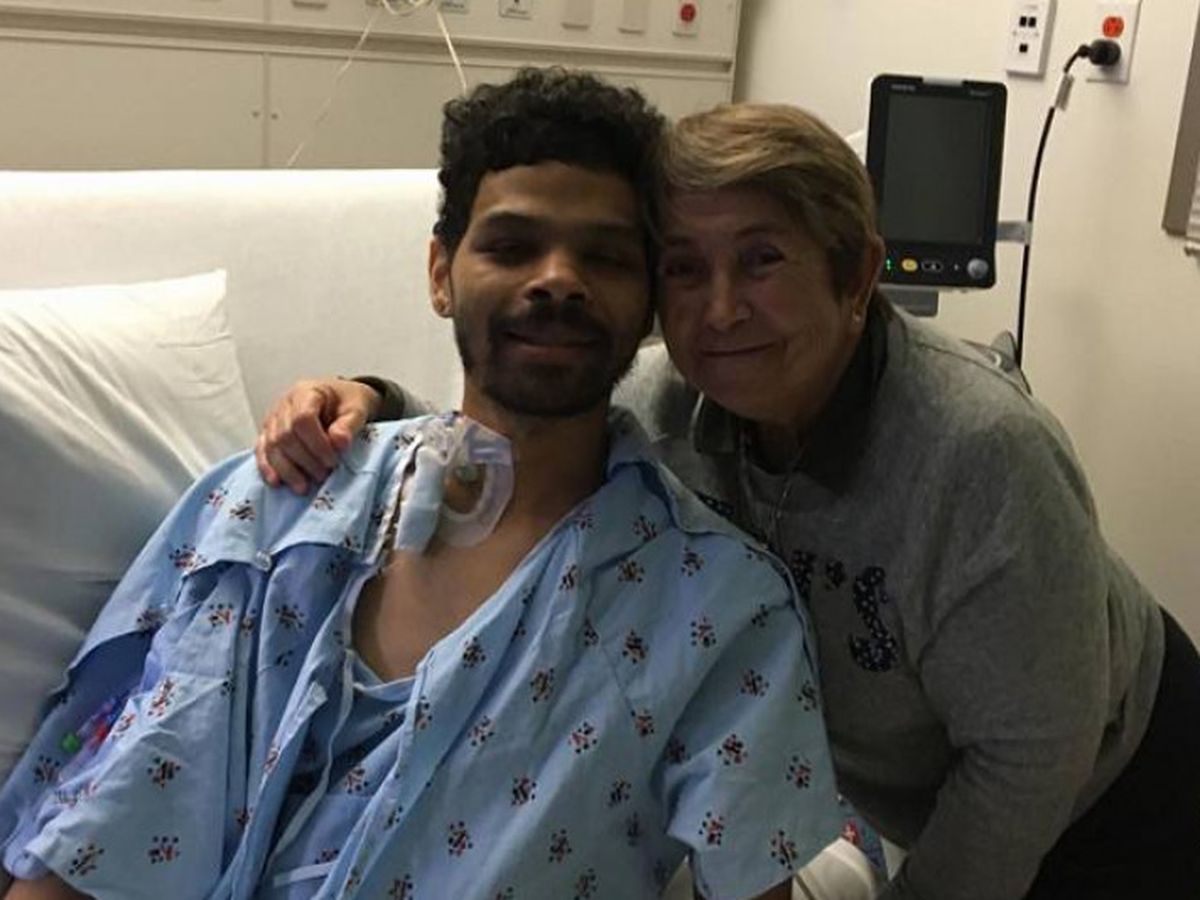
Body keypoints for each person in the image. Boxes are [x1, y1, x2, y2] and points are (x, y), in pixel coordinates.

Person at [257, 101, 1200, 900]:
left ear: (857, 275)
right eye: (683, 267)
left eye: (762, 261)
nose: (719, 310)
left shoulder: (979, 457)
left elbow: (1028, 759)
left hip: (1117, 790)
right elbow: (523, 432)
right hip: (915, 783)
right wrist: (370, 403)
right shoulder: (668, 402)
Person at [0, 71, 845, 900]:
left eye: (606, 256)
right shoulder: (276, 503)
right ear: (440, 273)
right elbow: (103, 822)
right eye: (511, 247)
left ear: (649, 301)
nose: (558, 278)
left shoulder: (719, 608)